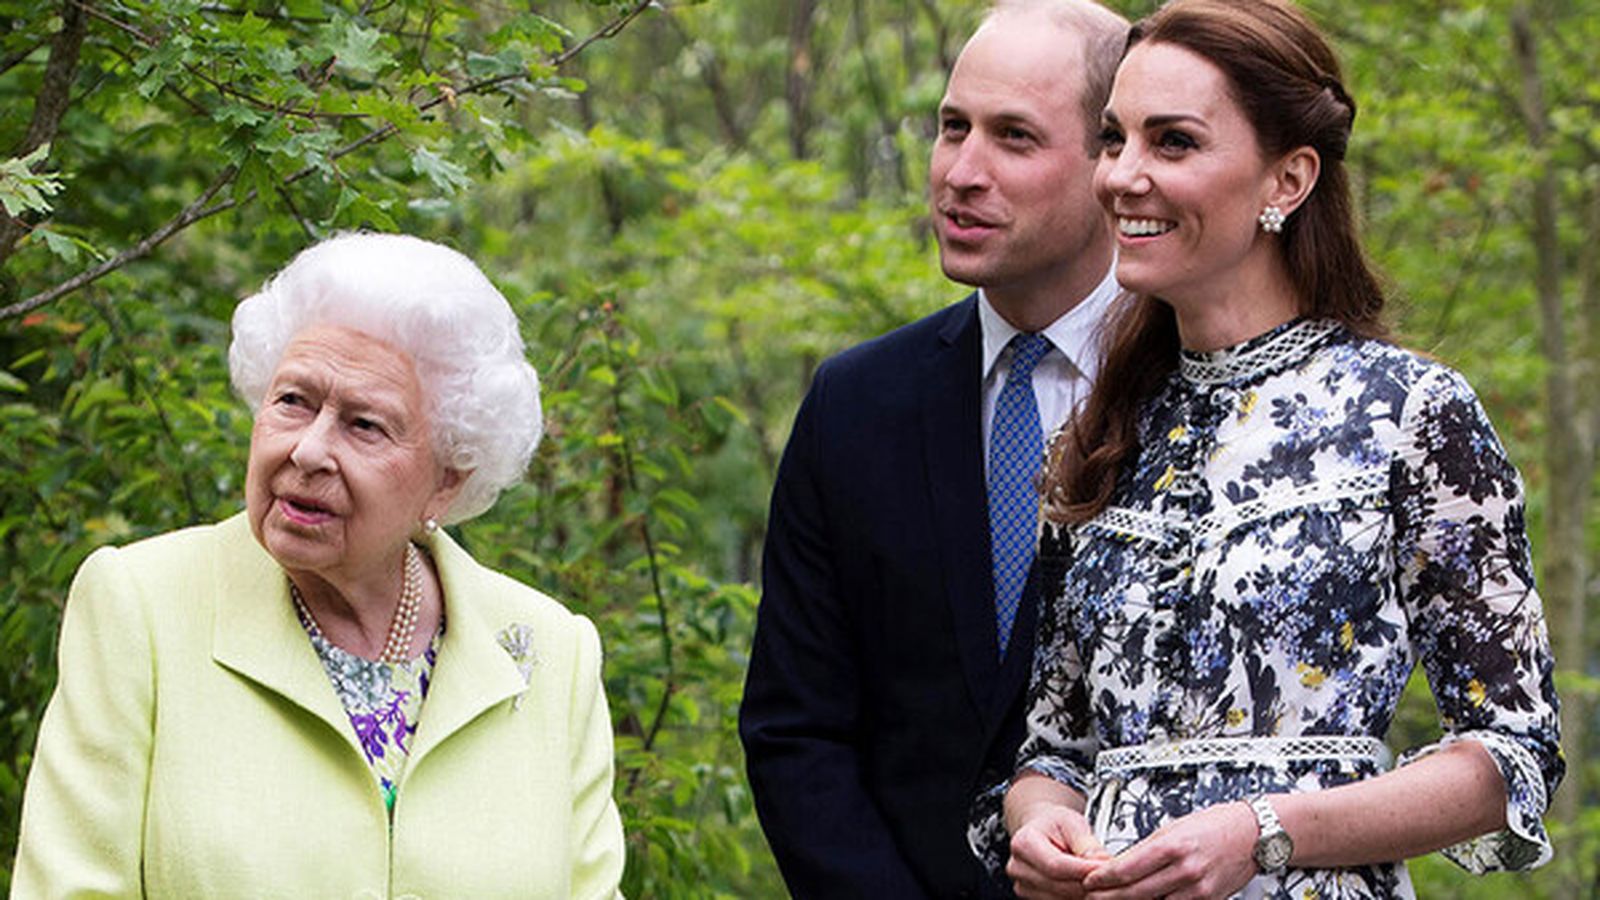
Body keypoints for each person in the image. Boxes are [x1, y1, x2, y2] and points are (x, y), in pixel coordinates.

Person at [970, 1, 1564, 897]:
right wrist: (1041, 817)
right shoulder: (1097, 433)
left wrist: (1266, 830)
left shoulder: (1410, 412)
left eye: (1172, 143)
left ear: (1287, 180)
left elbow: (1513, 754)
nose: (1123, 176)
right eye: (1113, 139)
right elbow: (1056, 746)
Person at [11, 233, 626, 898]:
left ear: (446, 480)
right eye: (293, 401)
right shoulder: (142, 605)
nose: (307, 450)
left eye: (364, 425)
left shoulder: (550, 652)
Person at [738, 2, 1128, 896]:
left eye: (1014, 138)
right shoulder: (855, 404)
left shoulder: (1207, 403)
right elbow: (796, 730)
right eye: (953, 128)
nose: (961, 172)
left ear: (1112, 160)